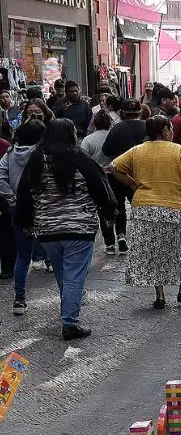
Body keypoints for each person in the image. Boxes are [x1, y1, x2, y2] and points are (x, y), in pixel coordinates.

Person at [15, 118, 116, 340]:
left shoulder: (37, 160)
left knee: (64, 274)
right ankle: (70, 322)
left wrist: (26, 222)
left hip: (48, 229)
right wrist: (109, 214)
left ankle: (67, 311)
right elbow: (101, 187)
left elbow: (24, 193)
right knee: (74, 276)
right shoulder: (80, 158)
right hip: (79, 228)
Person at [109, 116, 181, 309]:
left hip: (144, 208)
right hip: (175, 207)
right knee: (179, 251)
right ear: (166, 130)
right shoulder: (177, 150)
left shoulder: (137, 150)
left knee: (153, 252)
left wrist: (133, 183)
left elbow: (113, 167)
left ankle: (160, 295)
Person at [0, 120, 45, 313]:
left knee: (23, 255)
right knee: (56, 251)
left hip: (17, 208)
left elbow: (0, 178)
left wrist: (11, 198)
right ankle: (69, 297)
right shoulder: (42, 153)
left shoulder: (10, 153)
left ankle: (19, 299)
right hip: (41, 207)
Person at [101, 99, 148, 254]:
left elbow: (106, 151)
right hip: (141, 174)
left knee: (119, 206)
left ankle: (121, 234)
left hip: (119, 174)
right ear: (140, 113)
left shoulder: (117, 128)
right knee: (140, 205)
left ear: (123, 113)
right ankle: (143, 236)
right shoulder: (147, 127)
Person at [80, 111, 119, 253]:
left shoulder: (88, 140)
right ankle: (120, 234)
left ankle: (109, 243)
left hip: (95, 178)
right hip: (114, 176)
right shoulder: (114, 137)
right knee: (116, 205)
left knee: (102, 210)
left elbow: (82, 159)